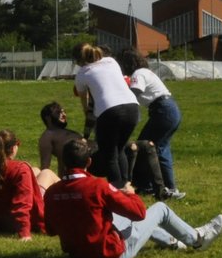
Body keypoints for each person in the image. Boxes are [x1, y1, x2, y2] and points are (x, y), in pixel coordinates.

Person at [44, 139, 222, 258]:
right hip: (111, 253)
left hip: (77, 255)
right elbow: (139, 213)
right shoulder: (98, 186)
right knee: (160, 209)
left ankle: (173, 242)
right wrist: (129, 194)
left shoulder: (52, 192)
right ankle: (197, 240)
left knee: (115, 214)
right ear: (89, 162)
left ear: (63, 161)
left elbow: (51, 230)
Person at [118, 46, 184, 199]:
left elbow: (134, 93)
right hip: (170, 109)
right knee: (162, 148)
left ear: (126, 63)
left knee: (146, 147)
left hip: (162, 111)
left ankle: (147, 186)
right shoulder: (145, 72)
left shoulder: (138, 74)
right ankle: (170, 187)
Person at [72, 43, 138, 187]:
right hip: (132, 108)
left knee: (109, 155)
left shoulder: (82, 73)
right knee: (119, 149)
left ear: (78, 61)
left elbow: (86, 102)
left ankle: (116, 191)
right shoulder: (112, 61)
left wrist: (88, 121)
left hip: (109, 111)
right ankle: (126, 186)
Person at [37, 101, 82, 173]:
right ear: (48, 118)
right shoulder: (47, 136)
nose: (64, 115)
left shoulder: (69, 132)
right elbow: (45, 168)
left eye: (64, 112)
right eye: (58, 113)